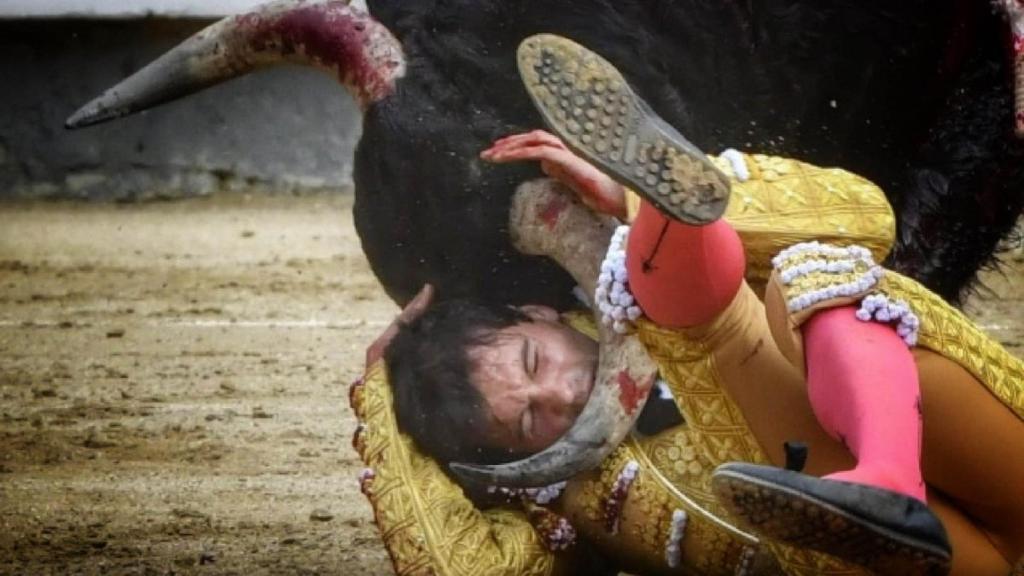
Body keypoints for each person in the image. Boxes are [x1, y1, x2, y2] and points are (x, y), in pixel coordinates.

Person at [367, 35, 1024, 576]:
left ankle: (886, 475)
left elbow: (865, 216)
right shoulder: (561, 507)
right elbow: (464, 570)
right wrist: (382, 406)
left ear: (537, 316)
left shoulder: (621, 290)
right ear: (506, 460)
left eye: (536, 364)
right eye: (526, 422)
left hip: (980, 453)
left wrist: (624, 200)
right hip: (919, 567)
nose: (562, 396)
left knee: (799, 281)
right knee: (722, 304)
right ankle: (670, 221)